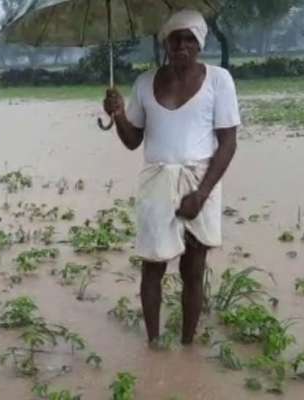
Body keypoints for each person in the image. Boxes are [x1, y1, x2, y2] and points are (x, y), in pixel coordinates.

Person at [103, 9, 240, 345]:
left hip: (199, 181)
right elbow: (133, 140)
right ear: (164, 42)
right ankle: (153, 342)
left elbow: (228, 143)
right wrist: (119, 114)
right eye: (175, 38)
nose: (181, 45)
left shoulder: (219, 80)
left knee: (193, 270)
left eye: (189, 38)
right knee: (153, 267)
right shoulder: (145, 82)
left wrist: (202, 194)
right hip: (157, 182)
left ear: (200, 43)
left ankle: (188, 345)